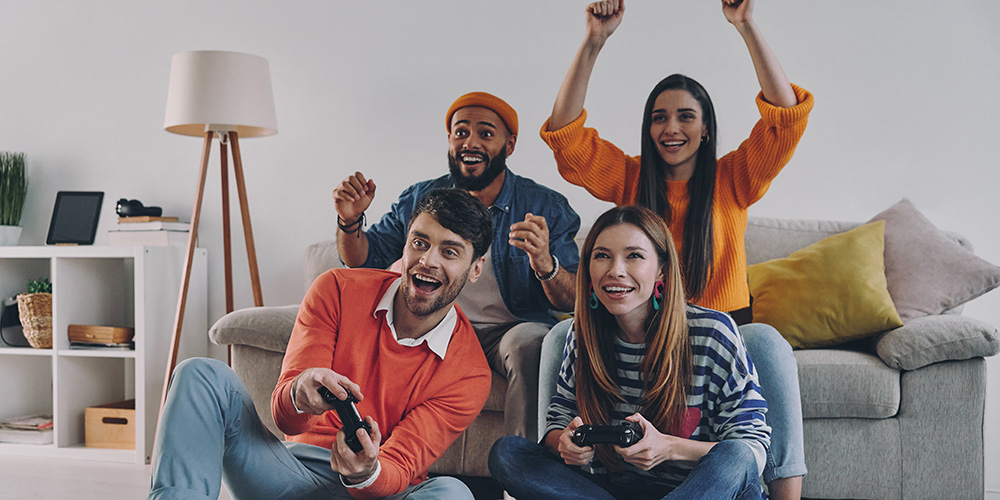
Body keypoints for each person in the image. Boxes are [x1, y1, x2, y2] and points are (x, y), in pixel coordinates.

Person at [537, 1, 813, 498]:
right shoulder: (630, 179)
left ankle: (785, 494)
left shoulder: (735, 177)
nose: (671, 128)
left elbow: (786, 119)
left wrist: (746, 25)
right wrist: (593, 40)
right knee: (561, 333)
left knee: (768, 341)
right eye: (660, 118)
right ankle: (560, 466)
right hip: (645, 323)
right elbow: (566, 138)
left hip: (718, 327)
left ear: (705, 127)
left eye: (686, 117)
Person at [149, 188, 494, 500]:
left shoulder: (469, 373)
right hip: (291, 474)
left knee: (452, 493)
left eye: (449, 252)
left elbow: (401, 465)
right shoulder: (337, 289)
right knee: (199, 374)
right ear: (405, 246)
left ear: (475, 269)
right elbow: (286, 419)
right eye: (420, 242)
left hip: (379, 490)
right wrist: (300, 393)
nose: (428, 260)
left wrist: (365, 471)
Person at [333, 92, 581, 442]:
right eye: (461, 132)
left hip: (506, 330)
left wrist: (545, 264)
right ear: (449, 139)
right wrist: (349, 220)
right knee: (368, 332)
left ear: (509, 145)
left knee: (532, 343)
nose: (471, 142)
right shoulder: (421, 199)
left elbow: (572, 300)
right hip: (435, 322)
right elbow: (364, 262)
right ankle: (367, 458)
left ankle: (523, 478)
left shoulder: (545, 206)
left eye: (486, 133)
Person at [490, 205, 770, 500]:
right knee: (508, 453)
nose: (616, 271)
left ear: (662, 268)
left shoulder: (713, 332)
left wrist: (668, 447)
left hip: (699, 491)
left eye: (634, 255)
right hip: (614, 490)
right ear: (588, 268)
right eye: (602, 256)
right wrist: (564, 441)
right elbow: (559, 419)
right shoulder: (582, 334)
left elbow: (752, 450)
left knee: (735, 456)